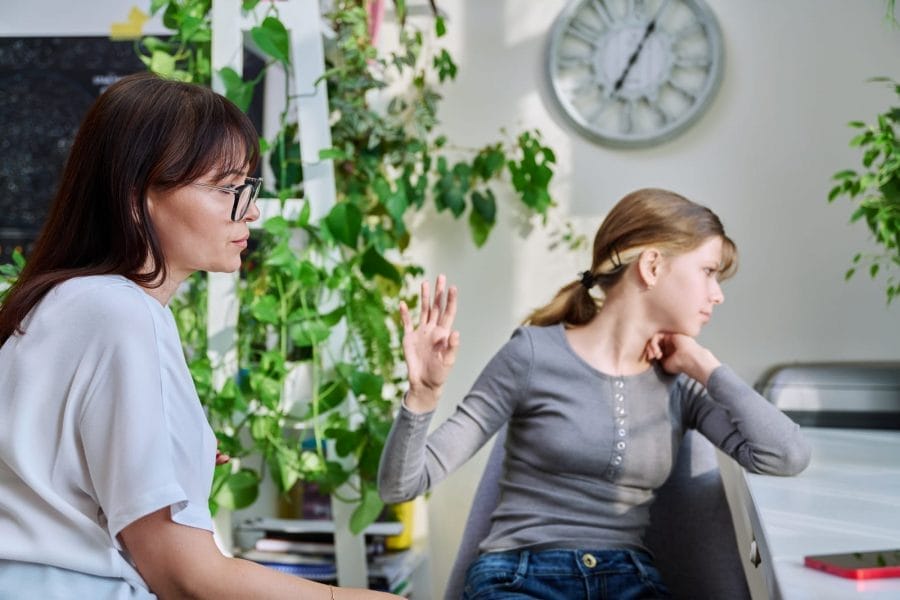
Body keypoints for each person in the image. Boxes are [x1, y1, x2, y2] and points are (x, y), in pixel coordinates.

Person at [0, 72, 398, 600]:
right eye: (229, 188)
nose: (251, 210)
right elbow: (185, 575)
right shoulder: (120, 311)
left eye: (248, 187)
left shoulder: (65, 301)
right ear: (136, 196)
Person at [378, 188, 811, 600]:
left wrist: (705, 365)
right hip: (520, 579)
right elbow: (401, 485)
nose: (716, 295)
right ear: (653, 266)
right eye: (709, 272)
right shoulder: (531, 354)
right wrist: (423, 395)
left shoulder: (682, 384)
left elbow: (786, 454)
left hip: (629, 581)